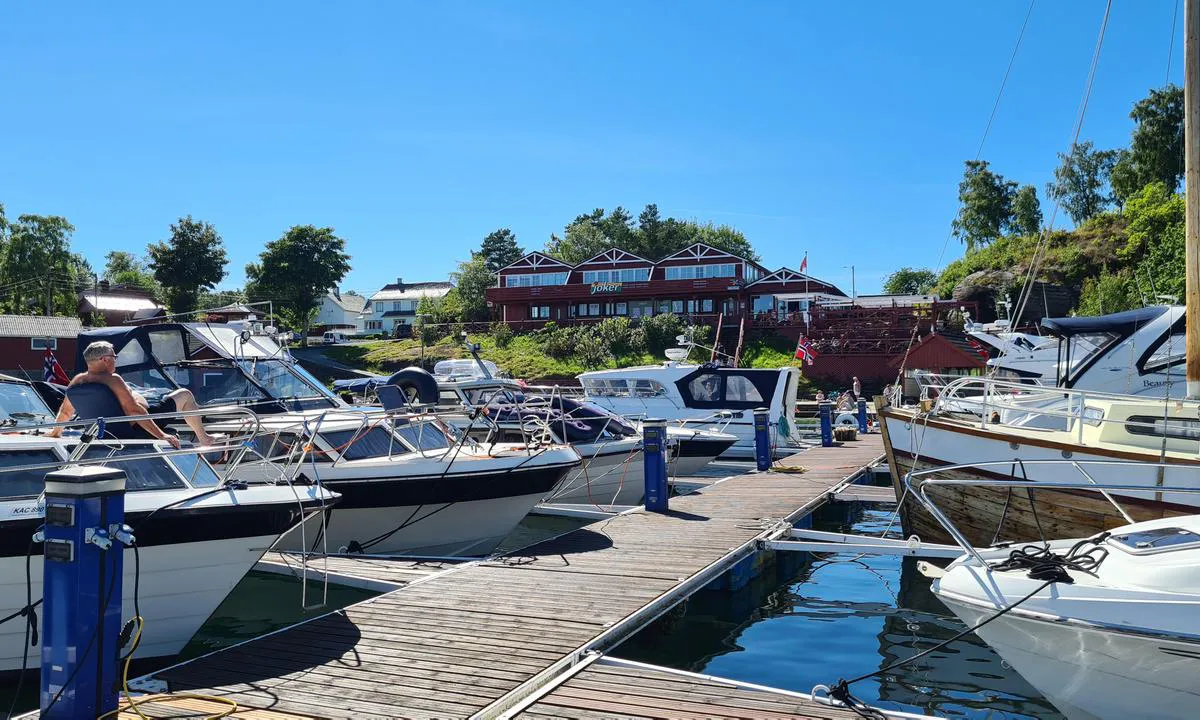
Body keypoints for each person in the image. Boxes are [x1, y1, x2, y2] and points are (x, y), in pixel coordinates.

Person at [48, 341, 215, 446]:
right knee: (184, 394)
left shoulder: (77, 380)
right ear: (104, 359)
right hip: (136, 428)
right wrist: (162, 435)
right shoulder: (112, 379)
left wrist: (56, 433)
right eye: (114, 356)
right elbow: (134, 411)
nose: (116, 359)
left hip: (104, 433)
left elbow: (65, 412)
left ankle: (203, 437)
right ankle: (204, 438)